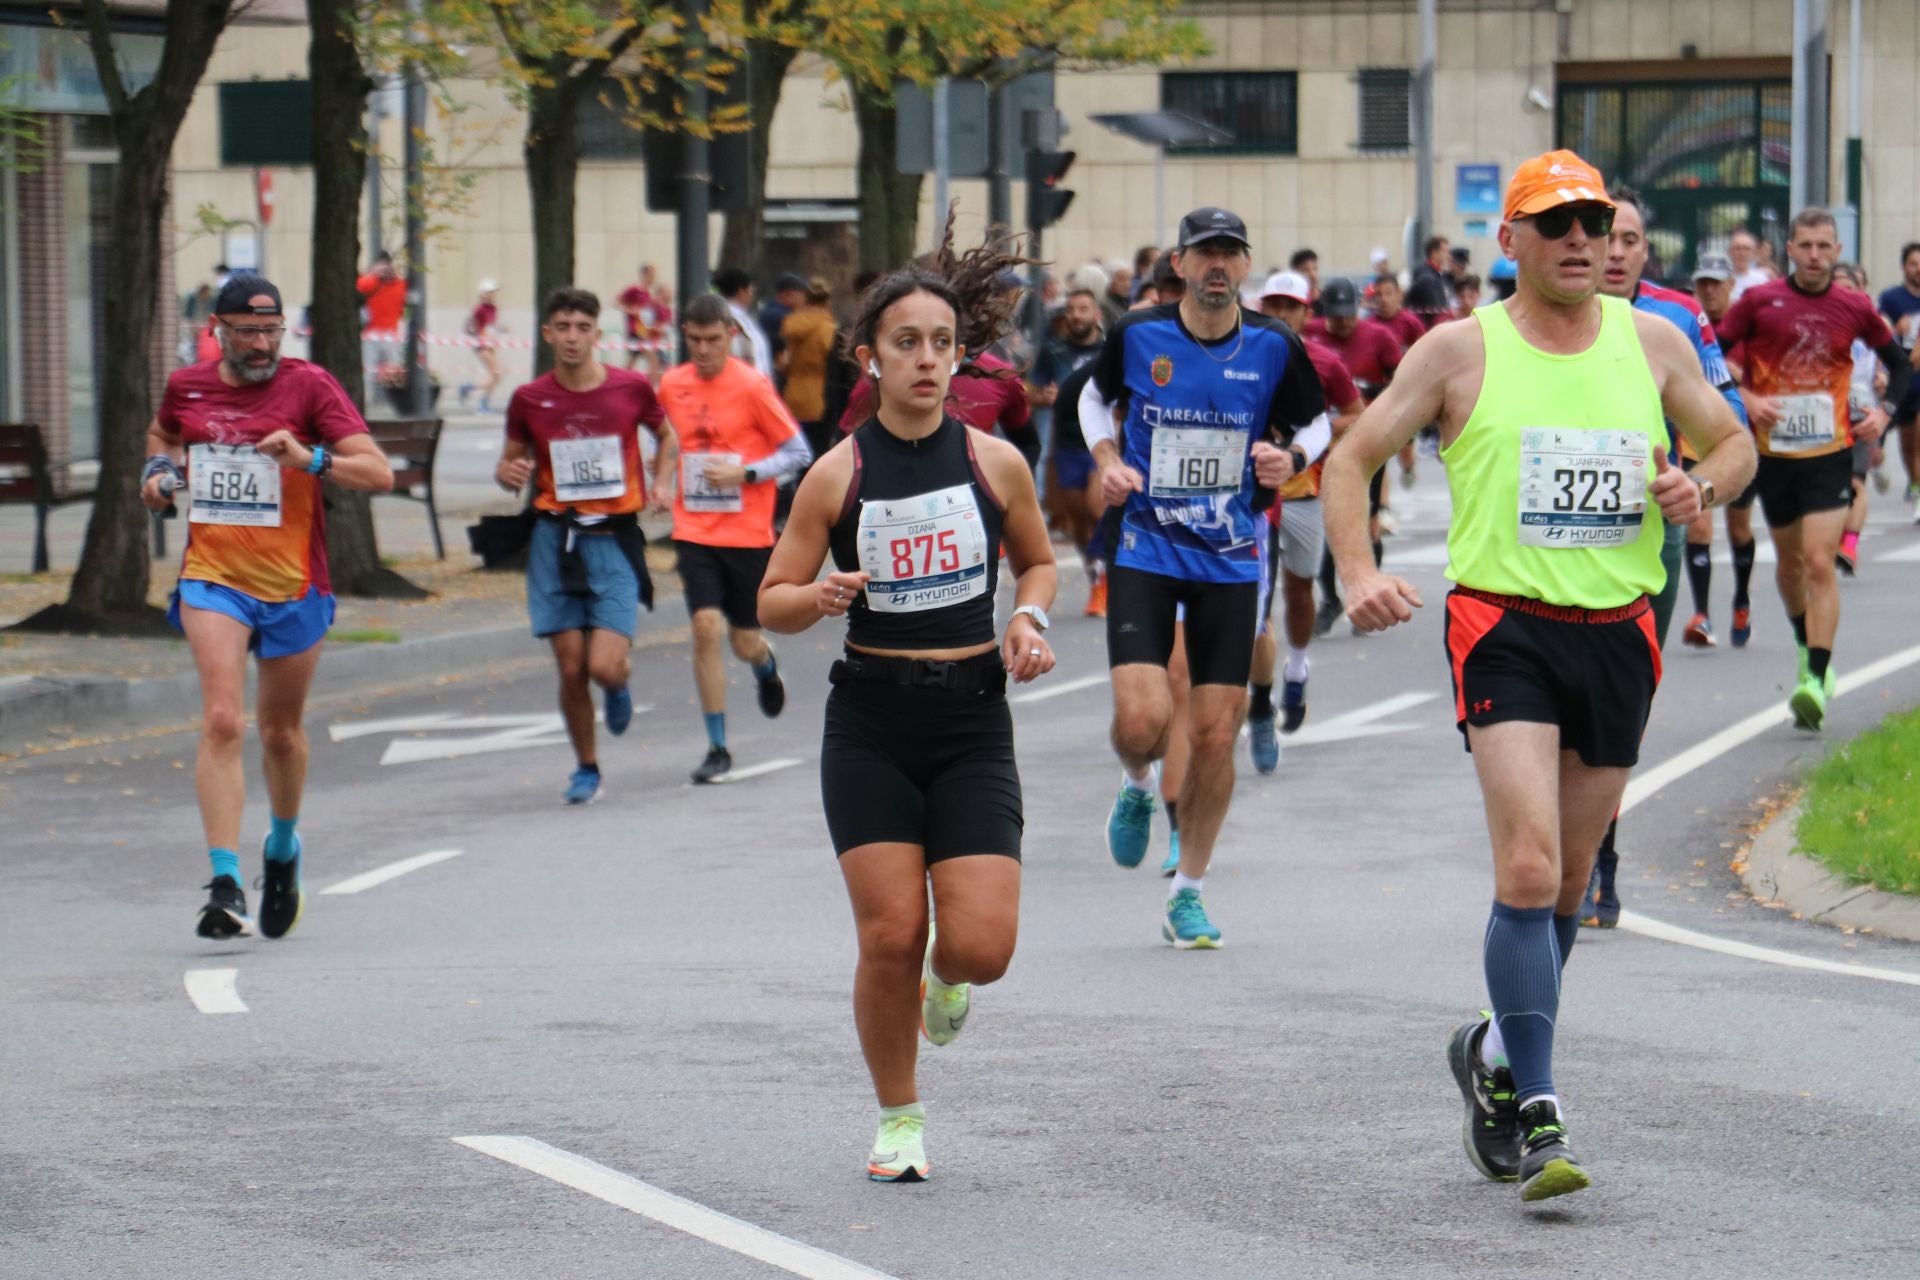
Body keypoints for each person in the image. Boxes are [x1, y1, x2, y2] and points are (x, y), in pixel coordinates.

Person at [1322, 150, 1754, 1204]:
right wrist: (1359, 571)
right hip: (1503, 625)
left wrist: (1696, 485)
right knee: (1526, 868)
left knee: (1565, 882)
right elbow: (1348, 457)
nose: (1578, 239)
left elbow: (1736, 442)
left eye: (1592, 222)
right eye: (1553, 222)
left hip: (1619, 630)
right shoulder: (1456, 350)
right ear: (1508, 239)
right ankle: (1541, 1107)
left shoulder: (1651, 340)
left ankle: (1500, 1053)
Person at [756, 238, 1058, 1183]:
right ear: (870, 360)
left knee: (980, 948)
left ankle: (947, 983)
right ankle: (899, 1117)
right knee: (889, 932)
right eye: (907, 344)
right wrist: (821, 596)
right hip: (873, 722)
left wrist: (1029, 617)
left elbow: (1040, 560)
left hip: (971, 718)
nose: (927, 360)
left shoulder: (996, 463)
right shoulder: (835, 475)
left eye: (942, 343)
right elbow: (772, 598)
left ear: (960, 356)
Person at [1080, 207, 1330, 947]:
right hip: (1147, 549)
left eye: (1230, 253)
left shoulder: (1274, 345)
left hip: (1228, 559)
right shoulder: (1137, 334)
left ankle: (1187, 890)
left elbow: (1318, 421)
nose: (1218, 266)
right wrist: (1107, 462)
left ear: (1244, 267)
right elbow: (1094, 398)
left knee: (1215, 733)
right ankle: (1135, 783)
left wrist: (1293, 460)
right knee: (1143, 721)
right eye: (1204, 254)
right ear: (1181, 265)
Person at [139, 273, 395, 940]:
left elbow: (378, 471)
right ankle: (224, 883)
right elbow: (162, 434)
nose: (260, 343)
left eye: (271, 331)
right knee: (224, 718)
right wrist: (158, 477)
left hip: (293, 584)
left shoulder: (309, 386)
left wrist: (309, 458)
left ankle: (281, 850)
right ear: (218, 330)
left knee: (280, 730)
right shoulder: (188, 385)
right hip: (213, 575)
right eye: (247, 331)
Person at [1583, 185, 1751, 928]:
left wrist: (1700, 486)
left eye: (1631, 240)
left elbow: (1731, 427)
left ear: (1646, 251)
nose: (1615, 252)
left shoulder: (1677, 319)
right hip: (1552, 540)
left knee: (1622, 701)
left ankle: (1598, 854)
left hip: (1651, 531)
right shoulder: (1538, 313)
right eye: (1605, 236)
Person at [1715, 208, 1911, 730]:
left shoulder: (1855, 306)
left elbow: (1901, 363)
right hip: (1773, 455)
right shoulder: (1759, 302)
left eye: (1825, 246)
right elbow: (1712, 352)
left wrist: (1884, 412)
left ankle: (1815, 682)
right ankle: (1807, 646)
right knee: (1789, 565)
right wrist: (1747, 396)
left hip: (1829, 453)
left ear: (1838, 250)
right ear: (1789, 249)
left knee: (1820, 561)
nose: (1815, 256)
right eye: (1805, 246)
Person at [495, 288, 677, 804]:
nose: (572, 337)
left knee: (602, 666)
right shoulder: (530, 398)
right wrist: (509, 473)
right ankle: (587, 767)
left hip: (614, 539)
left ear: (598, 334)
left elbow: (669, 436)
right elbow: (508, 466)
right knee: (572, 666)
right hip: (556, 539)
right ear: (548, 334)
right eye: (563, 327)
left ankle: (617, 684)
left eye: (582, 327)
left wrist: (661, 483)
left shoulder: (631, 387)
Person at [659, 293, 813, 782]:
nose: (703, 350)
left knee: (744, 641)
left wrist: (746, 472)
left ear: (730, 335)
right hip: (694, 529)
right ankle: (717, 746)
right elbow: (669, 439)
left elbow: (798, 453)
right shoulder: (672, 383)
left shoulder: (752, 387)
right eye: (694, 340)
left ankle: (764, 664)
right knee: (705, 627)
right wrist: (662, 481)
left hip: (747, 532)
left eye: (712, 339)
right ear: (685, 336)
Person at [1256, 271, 1366, 752]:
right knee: (1249, 606)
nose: (1281, 315)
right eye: (1273, 305)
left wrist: (1309, 434)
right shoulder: (1238, 354)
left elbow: (1355, 413)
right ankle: (1256, 701)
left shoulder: (1323, 362)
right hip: (1250, 501)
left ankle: (1296, 667)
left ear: (1306, 313)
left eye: (1291, 307)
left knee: (1298, 589)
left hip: (1303, 491)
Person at [1308, 276, 1405, 630]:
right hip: (1322, 446)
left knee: (1368, 523)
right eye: (1336, 316)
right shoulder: (1312, 334)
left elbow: (1403, 381)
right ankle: (1331, 599)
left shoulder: (1378, 337)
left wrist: (1383, 407)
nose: (1343, 323)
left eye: (1348, 315)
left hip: (1368, 441)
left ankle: (1369, 592)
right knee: (1328, 525)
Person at [1679, 252, 1763, 648]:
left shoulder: (1747, 328)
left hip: (1738, 436)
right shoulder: (1683, 326)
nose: (1708, 291)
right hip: (1693, 436)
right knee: (1698, 522)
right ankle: (1702, 615)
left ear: (1732, 286)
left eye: (1716, 283)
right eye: (1702, 284)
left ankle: (1741, 599)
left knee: (1739, 526)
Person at [1029, 286, 1106, 603]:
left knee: (1098, 510)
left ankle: (1106, 581)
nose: (1076, 315)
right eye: (1071, 309)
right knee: (1078, 523)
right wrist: (1041, 397)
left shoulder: (1110, 350)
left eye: (1083, 309)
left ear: (1096, 314)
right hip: (1067, 444)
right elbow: (1030, 391)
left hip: (1100, 443)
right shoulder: (1053, 351)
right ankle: (1095, 575)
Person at [1830, 263, 1886, 576]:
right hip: (1824, 413)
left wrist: (1881, 378)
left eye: (1849, 289)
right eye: (1836, 289)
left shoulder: (1871, 325)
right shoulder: (1817, 323)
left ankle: (1849, 544)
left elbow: (1890, 361)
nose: (1842, 295)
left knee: (1855, 482)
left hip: (1859, 410)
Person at [1875, 242, 1920, 521]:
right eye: (1913, 264)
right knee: (1908, 443)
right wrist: (1895, 328)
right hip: (1904, 377)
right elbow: (1878, 335)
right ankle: (1914, 484)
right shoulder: (1892, 298)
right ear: (1904, 268)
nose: (1918, 269)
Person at [781, 277, 839, 458]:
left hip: (793, 395)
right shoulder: (828, 330)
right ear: (828, 302)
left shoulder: (792, 325)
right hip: (819, 399)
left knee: (795, 452)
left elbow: (785, 363)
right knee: (817, 453)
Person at [355, 252, 407, 393]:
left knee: (371, 369)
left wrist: (372, 274)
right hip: (388, 332)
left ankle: (372, 397)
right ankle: (387, 397)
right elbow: (403, 307)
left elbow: (358, 288)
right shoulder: (399, 284)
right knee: (390, 369)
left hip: (374, 333)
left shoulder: (369, 282)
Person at [712, 266, 776, 379]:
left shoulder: (744, 318)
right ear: (741, 291)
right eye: (751, 289)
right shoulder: (727, 318)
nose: (752, 294)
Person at [459, 279, 503, 413]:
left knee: (496, 376)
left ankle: (470, 389)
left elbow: (492, 326)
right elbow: (467, 326)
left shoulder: (494, 308)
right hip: (482, 345)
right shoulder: (479, 309)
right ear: (483, 294)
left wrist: (500, 330)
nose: (493, 295)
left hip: (490, 344)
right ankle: (481, 402)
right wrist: (477, 335)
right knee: (496, 374)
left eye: (494, 292)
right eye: (490, 292)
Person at [616, 264, 659, 370]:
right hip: (635, 330)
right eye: (652, 275)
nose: (653, 278)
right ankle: (652, 385)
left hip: (643, 330)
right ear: (644, 275)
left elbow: (646, 314)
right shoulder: (634, 289)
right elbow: (617, 301)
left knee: (632, 361)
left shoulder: (647, 294)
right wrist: (630, 311)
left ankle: (623, 381)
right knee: (653, 359)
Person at [1407, 235, 1453, 320]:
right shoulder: (1427, 278)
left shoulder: (1435, 275)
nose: (1449, 256)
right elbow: (1436, 310)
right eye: (1446, 252)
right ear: (1434, 253)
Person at [1728, 229, 1772, 299]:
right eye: (1738, 248)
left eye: (1746, 249)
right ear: (1730, 252)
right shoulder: (1721, 280)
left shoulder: (1761, 280)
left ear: (1753, 253)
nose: (1742, 254)